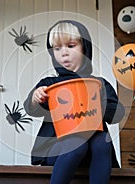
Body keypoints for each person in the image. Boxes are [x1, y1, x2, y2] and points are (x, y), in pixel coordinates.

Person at [24, 20, 125, 184]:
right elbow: (31, 109)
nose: (64, 53)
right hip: (56, 150)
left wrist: (98, 103)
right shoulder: (49, 84)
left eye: (71, 46)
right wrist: (36, 98)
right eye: (57, 48)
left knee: (102, 141)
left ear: (85, 47)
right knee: (76, 142)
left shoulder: (99, 85)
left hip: (93, 151)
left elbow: (117, 114)